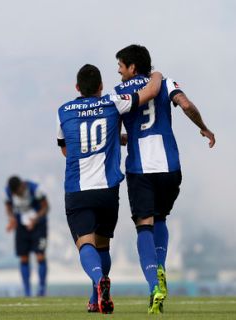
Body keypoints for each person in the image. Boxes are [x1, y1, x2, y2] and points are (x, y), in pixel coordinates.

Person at [112, 44, 216, 314]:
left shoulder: (118, 92)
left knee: (143, 225)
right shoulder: (166, 81)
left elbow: (115, 129)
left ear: (132, 67)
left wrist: (125, 139)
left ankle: (153, 285)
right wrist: (203, 128)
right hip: (170, 167)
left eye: (121, 66)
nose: (119, 72)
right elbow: (186, 105)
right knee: (161, 219)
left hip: (140, 169)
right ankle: (160, 266)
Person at [56, 64, 162, 314]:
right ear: (101, 87)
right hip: (108, 191)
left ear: (77, 88)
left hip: (78, 189)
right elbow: (149, 92)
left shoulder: (63, 111)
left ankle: (98, 280)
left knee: (86, 245)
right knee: (102, 246)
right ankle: (96, 300)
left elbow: (65, 149)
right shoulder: (113, 103)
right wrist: (156, 75)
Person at [4, 176, 49, 296]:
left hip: (38, 225)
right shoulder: (8, 191)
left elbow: (45, 207)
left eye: (18, 192)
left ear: (22, 186)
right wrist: (12, 219)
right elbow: (8, 206)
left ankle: (41, 290)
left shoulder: (35, 189)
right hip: (22, 226)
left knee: (40, 256)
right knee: (24, 258)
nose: (17, 195)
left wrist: (36, 220)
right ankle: (27, 291)